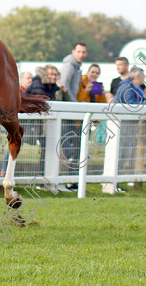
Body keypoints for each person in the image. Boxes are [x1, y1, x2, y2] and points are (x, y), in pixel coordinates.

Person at [58, 43, 87, 187]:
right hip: (67, 109)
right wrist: (73, 104)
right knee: (67, 144)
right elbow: (64, 86)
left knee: (72, 144)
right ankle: (64, 180)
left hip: (72, 108)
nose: (81, 54)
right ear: (73, 52)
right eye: (79, 51)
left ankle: (70, 180)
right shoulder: (69, 66)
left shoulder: (77, 66)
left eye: (83, 52)